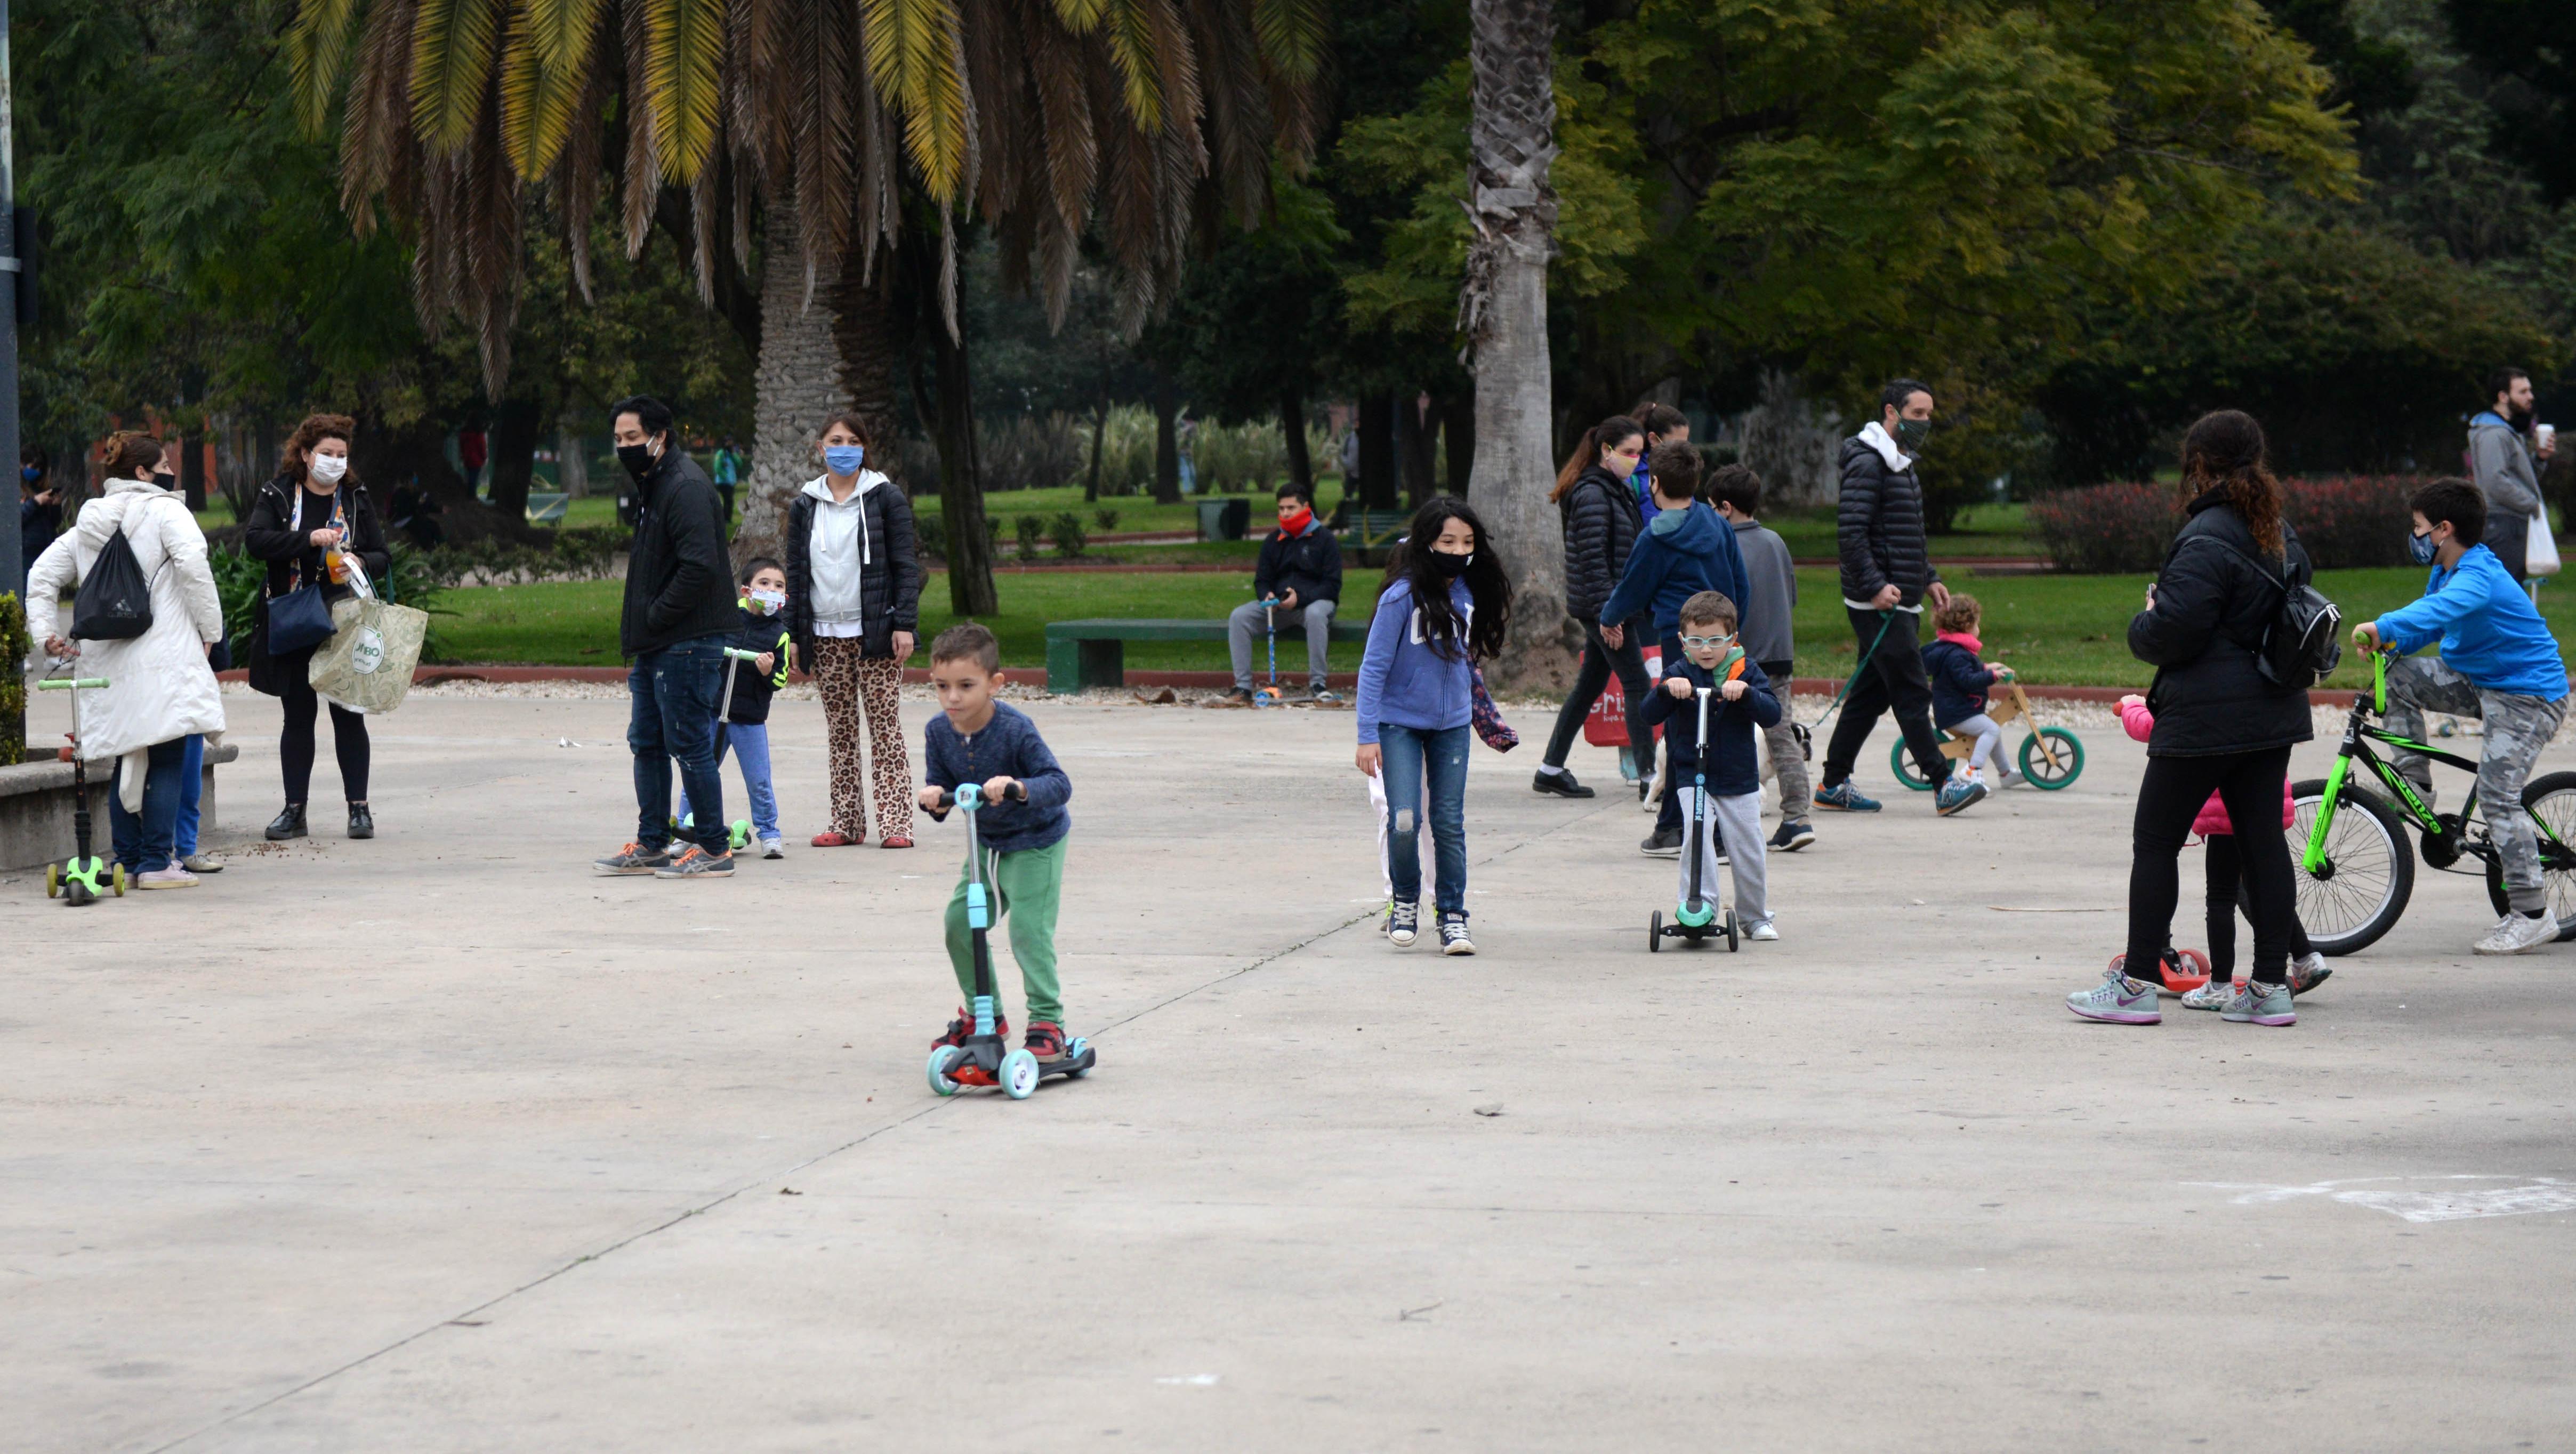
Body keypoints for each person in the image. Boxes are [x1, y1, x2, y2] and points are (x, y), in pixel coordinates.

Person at [2068, 410, 2313, 1029]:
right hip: (2271, 710)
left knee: (2154, 842)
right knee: (2263, 846)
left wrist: (2145, 617)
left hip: (2204, 716)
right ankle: (2267, 989)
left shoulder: (2204, 535)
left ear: (2199, 464)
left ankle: (2135, 986)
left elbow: (2174, 632)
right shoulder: (2278, 530)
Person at [2355, 477, 2572, 955]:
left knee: (2499, 797)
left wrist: (2385, 623)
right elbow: (2433, 621)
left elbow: (2445, 607)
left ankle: (2533, 914)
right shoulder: (2448, 570)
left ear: (2443, 530)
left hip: (2528, 697)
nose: (2414, 535)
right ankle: (2416, 788)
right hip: (2483, 680)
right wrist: (2389, 643)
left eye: (2418, 527)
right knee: (2397, 679)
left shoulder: (2477, 575)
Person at [25, 431, 226, 888]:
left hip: (107, 664)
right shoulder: (168, 512)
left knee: (127, 760)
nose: (171, 470)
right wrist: (211, 631)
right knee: (169, 756)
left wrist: (46, 634)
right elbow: (194, 564)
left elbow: (41, 574)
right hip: (165, 657)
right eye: (164, 465)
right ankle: (158, 862)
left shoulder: (89, 522)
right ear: (142, 473)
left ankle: (130, 860)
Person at [1356, 497, 1514, 954]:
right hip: (1398, 724)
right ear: (1426, 543)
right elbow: (1372, 668)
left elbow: (1471, 656)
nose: (1458, 550)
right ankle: (1404, 901)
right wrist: (1367, 735)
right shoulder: (1400, 597)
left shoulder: (1468, 592)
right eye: (1448, 540)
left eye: (1466, 541)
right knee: (1404, 817)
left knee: (1448, 822)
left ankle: (1453, 915)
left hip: (1452, 727)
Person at [916, 623, 1080, 1065]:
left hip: (1036, 842)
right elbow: (945, 787)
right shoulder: (938, 731)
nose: (953, 698)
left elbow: (1059, 784)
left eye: (966, 686)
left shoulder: (1015, 729)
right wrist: (935, 798)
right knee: (959, 924)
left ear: (995, 684)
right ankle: (983, 1015)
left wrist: (1018, 786)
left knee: (1028, 931)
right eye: (942, 686)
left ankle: (1048, 1023)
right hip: (984, 844)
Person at [592, 395, 741, 879]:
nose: (624, 447)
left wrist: (657, 615)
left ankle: (715, 848)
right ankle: (653, 843)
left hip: (688, 641)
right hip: (657, 643)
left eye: (632, 438)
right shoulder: (654, 483)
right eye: (618, 439)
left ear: (660, 437)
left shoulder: (686, 486)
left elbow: (701, 566)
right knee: (648, 743)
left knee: (690, 744)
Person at [2114, 694, 2330, 1003]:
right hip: (2265, 802)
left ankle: (2220, 984)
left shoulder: (2205, 695)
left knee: (2220, 899)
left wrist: (2132, 705)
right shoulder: (2258, 691)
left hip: (2223, 817)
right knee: (2262, 881)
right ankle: (2302, 958)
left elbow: (2153, 726)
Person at [1598, 440, 1751, 856]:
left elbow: (1633, 586)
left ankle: (1694, 833)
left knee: (1684, 728)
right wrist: (1733, 632)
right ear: (1697, 482)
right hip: (1723, 637)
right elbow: (1741, 583)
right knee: (1710, 725)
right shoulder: (1716, 523)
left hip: (1679, 639)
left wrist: (1609, 616)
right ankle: (1690, 829)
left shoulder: (1656, 537)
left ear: (1655, 483)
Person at [243, 413, 391, 842]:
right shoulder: (278, 494)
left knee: (348, 715)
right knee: (298, 715)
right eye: (327, 453)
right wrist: (308, 539)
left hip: (343, 619)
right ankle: (295, 810)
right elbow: (256, 541)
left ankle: (359, 809)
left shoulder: (356, 497)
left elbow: (382, 555)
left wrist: (361, 561)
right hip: (293, 614)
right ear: (305, 455)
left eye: (342, 454)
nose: (335, 461)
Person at [1818, 379, 1961, 815]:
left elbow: (1905, 532)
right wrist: (1875, 586)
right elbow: (1851, 534)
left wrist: (1928, 576)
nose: (1926, 422)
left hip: (1900, 594)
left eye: (1929, 414)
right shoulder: (1868, 461)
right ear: (1891, 412)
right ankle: (1943, 783)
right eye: (1918, 414)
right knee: (1911, 690)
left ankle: (1833, 782)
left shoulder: (1898, 460)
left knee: (1871, 694)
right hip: (1879, 601)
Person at [786, 411, 923, 849]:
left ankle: (897, 822)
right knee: (841, 731)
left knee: (885, 728)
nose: (843, 447)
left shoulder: (885, 497)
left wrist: (904, 624)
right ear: (820, 448)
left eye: (852, 440)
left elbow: (905, 567)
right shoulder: (805, 503)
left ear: (864, 447)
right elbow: (795, 572)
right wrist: (792, 635)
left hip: (876, 634)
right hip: (825, 635)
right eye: (835, 440)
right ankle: (846, 822)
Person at [1637, 590, 1782, 941]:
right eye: (1697, 641)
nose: (1706, 649)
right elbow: (1648, 713)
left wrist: (1746, 694)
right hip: (1691, 775)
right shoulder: (1679, 672)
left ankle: (1754, 916)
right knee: (1696, 837)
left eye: (1715, 640)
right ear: (1683, 641)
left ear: (1732, 639)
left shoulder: (1746, 671)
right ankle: (1698, 907)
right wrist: (1666, 692)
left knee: (1747, 846)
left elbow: (1772, 712)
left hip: (1738, 777)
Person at [1536, 416, 1652, 799]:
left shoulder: (1611, 488)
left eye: (1639, 452)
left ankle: (1550, 768)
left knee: (1591, 684)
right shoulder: (1592, 493)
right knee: (1637, 683)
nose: (1635, 459)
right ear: (1606, 451)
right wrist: (1610, 614)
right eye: (1628, 452)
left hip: (1607, 604)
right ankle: (1650, 776)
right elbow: (1592, 559)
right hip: (1602, 606)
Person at [1706, 463, 1814, 850]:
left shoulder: (1722, 546)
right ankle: (1797, 816)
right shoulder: (1776, 541)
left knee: (1722, 734)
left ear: (1726, 507)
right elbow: (1793, 596)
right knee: (1781, 733)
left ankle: (1726, 818)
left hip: (1738, 658)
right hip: (1779, 654)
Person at [676, 559, 794, 859]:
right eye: (764, 584)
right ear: (747, 590)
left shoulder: (779, 633)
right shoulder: (727, 618)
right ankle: (687, 829)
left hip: (749, 719)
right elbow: (705, 651)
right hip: (714, 712)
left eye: (778, 586)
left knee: (759, 780)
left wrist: (767, 672)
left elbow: (780, 678)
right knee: (699, 772)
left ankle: (769, 833)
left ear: (785, 596)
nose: (771, 590)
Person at [1226, 481, 1344, 704]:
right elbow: (1262, 579)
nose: (1286, 513)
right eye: (1281, 509)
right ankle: (1242, 688)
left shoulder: (1325, 540)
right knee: (1239, 616)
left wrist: (1302, 598)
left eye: (1291, 508)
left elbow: (1332, 585)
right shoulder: (1273, 541)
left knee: (1316, 614)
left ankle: (1318, 685)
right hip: (1278, 607)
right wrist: (1267, 596)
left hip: (1314, 603)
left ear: (1305, 507)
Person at [1921, 593, 2018, 802]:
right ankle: (1972, 770)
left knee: (1992, 728)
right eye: (1977, 624)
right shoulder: (1956, 654)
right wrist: (1991, 676)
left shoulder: (1954, 651)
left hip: (1958, 709)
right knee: (1991, 728)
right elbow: (1967, 680)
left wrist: (1986, 667)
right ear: (1966, 626)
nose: (1979, 629)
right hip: (1957, 712)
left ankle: (2005, 773)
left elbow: (1964, 672)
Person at [2467, 367, 2552, 585]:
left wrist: (2540, 459)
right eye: (2523, 392)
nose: (2530, 397)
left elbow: (2519, 479)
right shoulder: (2494, 434)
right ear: (2503, 397)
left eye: (2530, 391)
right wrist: (2533, 505)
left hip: (2512, 523)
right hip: (2502, 525)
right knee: (2505, 594)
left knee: (2511, 592)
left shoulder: (2507, 431)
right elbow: (2495, 482)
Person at [1626, 400, 1690, 525]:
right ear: (1653, 439)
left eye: (1685, 444)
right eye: (1676, 444)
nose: (1683, 451)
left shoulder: (1684, 471)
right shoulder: (1633, 477)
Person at [21, 448, 61, 579]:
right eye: (34, 467)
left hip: (46, 550)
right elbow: (14, 520)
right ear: (21, 464)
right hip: (26, 552)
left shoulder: (38, 488)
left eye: (40, 469)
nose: (37, 472)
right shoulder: (13, 488)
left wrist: (55, 506)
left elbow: (55, 522)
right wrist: (36, 502)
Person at [711, 436, 744, 523]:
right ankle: (725, 519)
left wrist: (733, 454)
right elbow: (717, 468)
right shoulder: (721, 454)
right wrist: (726, 476)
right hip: (723, 482)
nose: (730, 445)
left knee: (729, 501)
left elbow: (739, 464)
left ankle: (727, 519)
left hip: (731, 482)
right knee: (728, 500)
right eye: (728, 443)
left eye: (731, 443)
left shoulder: (732, 454)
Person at [458, 425, 487, 496]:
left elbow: (462, 446)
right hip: (477, 460)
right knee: (474, 479)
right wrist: (484, 457)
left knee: (470, 477)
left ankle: (470, 495)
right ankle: (471, 496)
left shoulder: (464, 433)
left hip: (467, 459)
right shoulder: (479, 433)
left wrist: (463, 455)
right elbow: (482, 446)